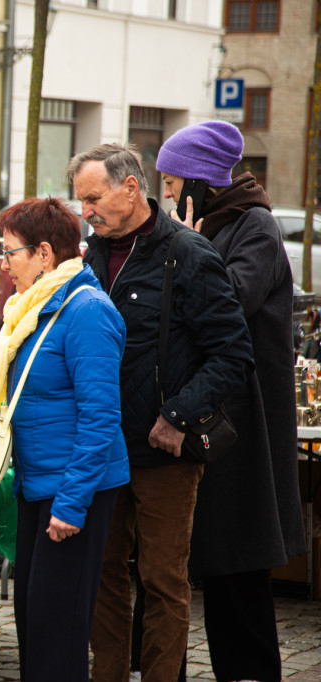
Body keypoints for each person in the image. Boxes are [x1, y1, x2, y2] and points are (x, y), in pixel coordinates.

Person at [66, 143, 254, 682]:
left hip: (164, 451)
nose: (86, 212)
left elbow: (233, 354)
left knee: (163, 580)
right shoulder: (91, 254)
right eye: (80, 201)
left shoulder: (188, 253)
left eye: (94, 198)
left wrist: (176, 416)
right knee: (103, 574)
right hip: (102, 445)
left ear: (131, 188)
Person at [156, 121, 306, 682]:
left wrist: (186, 248)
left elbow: (228, 302)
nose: (168, 195)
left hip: (246, 424)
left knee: (239, 566)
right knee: (221, 564)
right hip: (214, 417)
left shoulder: (256, 228)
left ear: (198, 181)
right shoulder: (217, 223)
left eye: (172, 181)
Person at [0, 197, 129, 681]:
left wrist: (71, 503)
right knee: (34, 621)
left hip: (74, 491)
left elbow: (100, 417)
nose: (2, 263)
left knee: (57, 629)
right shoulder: (31, 309)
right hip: (39, 486)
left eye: (9, 251)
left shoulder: (86, 311)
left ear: (43, 254)